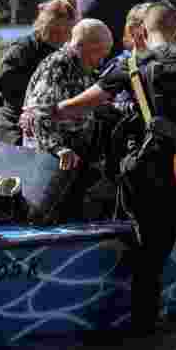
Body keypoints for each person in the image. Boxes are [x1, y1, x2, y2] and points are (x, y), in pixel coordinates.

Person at [41, 3, 176, 339]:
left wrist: (48, 111)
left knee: (149, 260)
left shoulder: (131, 64)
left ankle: (144, 336)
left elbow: (81, 104)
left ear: (142, 32)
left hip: (152, 175)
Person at [22, 18, 113, 221]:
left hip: (74, 154)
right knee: (43, 214)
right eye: (100, 53)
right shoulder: (58, 65)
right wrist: (58, 148)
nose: (101, 60)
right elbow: (37, 114)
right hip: (52, 155)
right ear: (85, 46)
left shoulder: (83, 66)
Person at [0, 0, 77, 145]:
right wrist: (34, 100)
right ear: (46, 25)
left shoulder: (65, 53)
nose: (62, 36)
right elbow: (1, 78)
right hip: (12, 122)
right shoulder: (24, 47)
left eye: (66, 31)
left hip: (44, 125)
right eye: (57, 31)